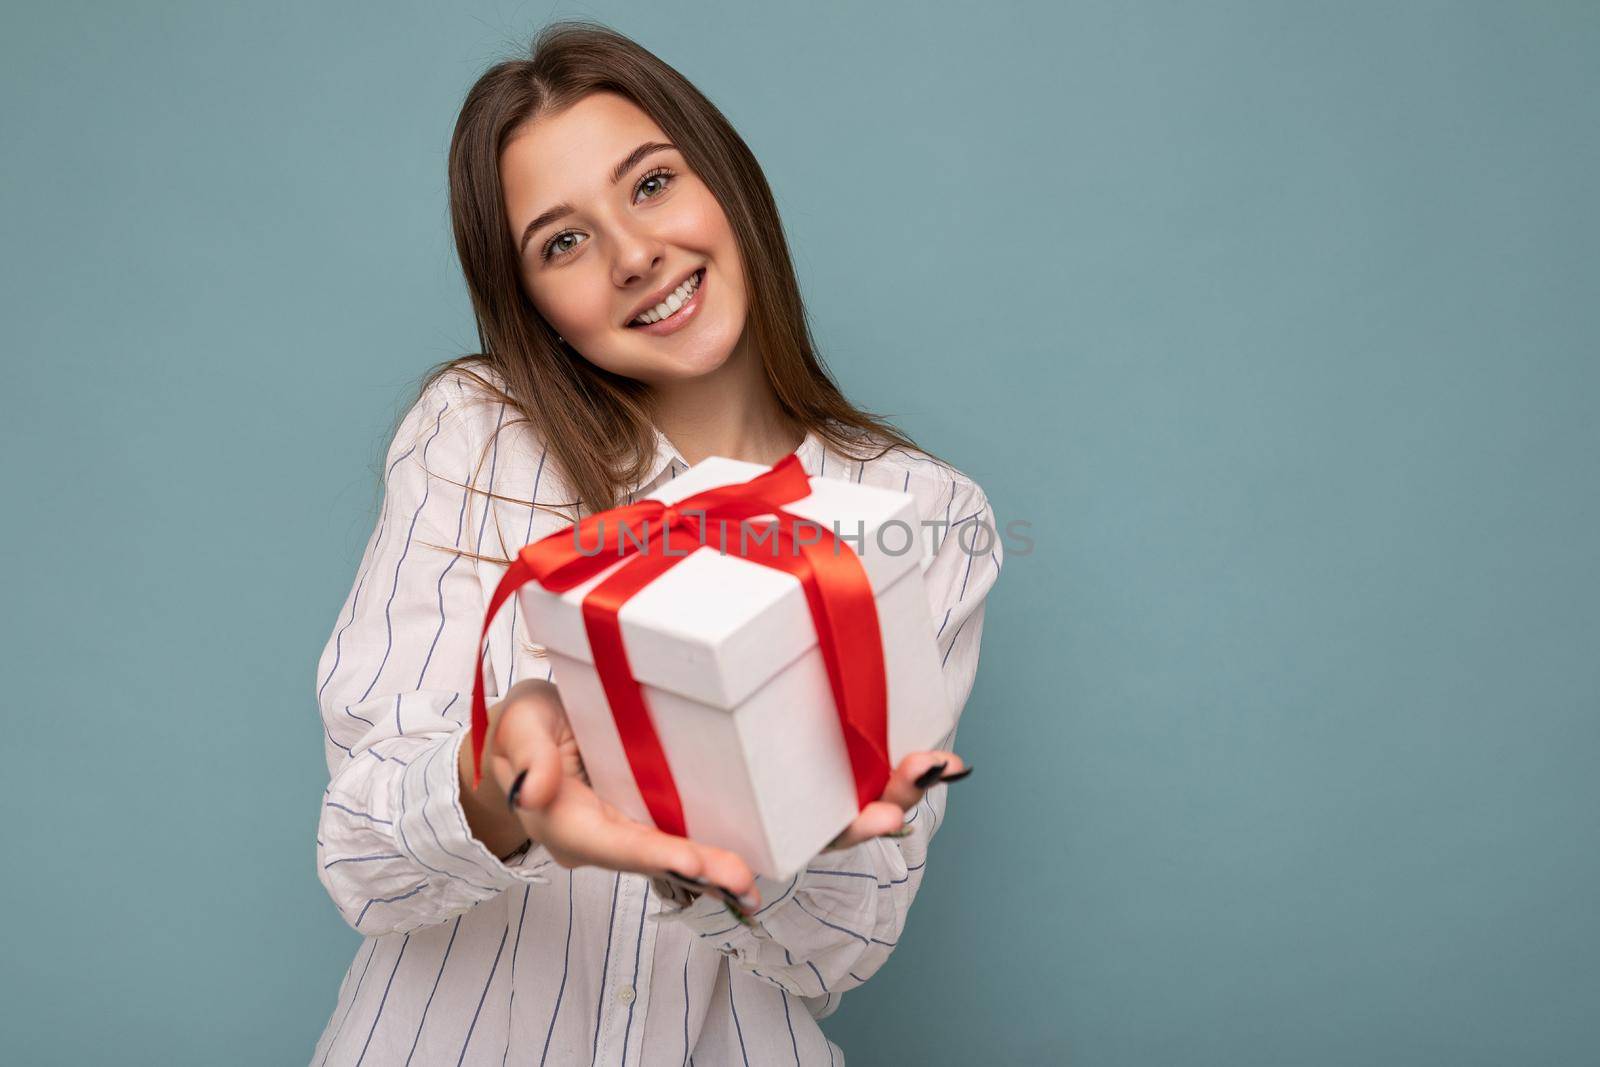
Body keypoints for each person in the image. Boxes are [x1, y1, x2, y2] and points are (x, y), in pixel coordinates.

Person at [310, 20, 1003, 1066]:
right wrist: (503, 780)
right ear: (532, 301)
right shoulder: (477, 433)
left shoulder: (923, 513)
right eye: (563, 240)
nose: (636, 256)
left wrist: (762, 833)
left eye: (650, 183)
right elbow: (361, 856)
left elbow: (840, 951)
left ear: (725, 181)